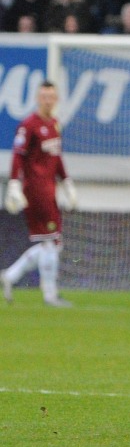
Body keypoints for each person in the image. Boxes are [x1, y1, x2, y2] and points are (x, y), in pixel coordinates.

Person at [2, 81, 77, 307]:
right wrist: (14, 183)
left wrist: (67, 181)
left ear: (56, 99)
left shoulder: (54, 124)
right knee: (51, 242)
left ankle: (10, 276)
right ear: (37, 98)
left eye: (51, 96)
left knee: (52, 243)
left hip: (49, 190)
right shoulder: (28, 125)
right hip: (35, 191)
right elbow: (18, 155)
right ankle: (50, 295)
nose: (48, 100)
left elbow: (57, 157)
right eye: (44, 96)